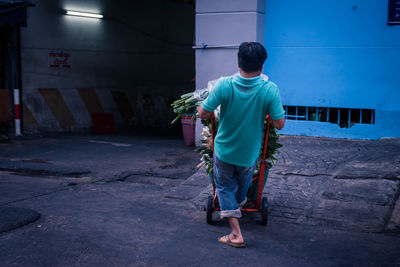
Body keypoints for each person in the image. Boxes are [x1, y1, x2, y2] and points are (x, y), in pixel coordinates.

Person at [197, 42, 285, 248]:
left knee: (224, 187)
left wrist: (211, 106)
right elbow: (279, 124)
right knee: (242, 186)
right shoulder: (270, 90)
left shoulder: (224, 85)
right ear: (262, 67)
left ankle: (236, 234)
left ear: (238, 62)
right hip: (249, 154)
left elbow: (203, 113)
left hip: (224, 151)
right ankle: (237, 207)